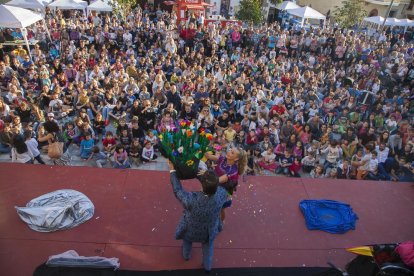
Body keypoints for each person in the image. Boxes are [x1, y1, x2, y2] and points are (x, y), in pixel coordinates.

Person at [168, 160, 227, 273]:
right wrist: (205, 176)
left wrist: (172, 171)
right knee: (208, 247)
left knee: (187, 242)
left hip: (190, 229)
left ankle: (186, 256)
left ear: (202, 185)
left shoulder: (191, 200)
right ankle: (208, 267)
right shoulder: (222, 194)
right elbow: (212, 185)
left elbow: (177, 190)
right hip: (209, 231)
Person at [204, 147, 248, 221]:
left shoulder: (232, 171)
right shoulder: (223, 159)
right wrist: (203, 144)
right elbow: (208, 156)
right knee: (210, 205)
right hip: (214, 187)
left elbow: (217, 181)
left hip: (224, 192)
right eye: (230, 150)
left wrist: (205, 174)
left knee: (221, 209)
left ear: (236, 159)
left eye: (232, 152)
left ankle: (221, 222)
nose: (229, 151)